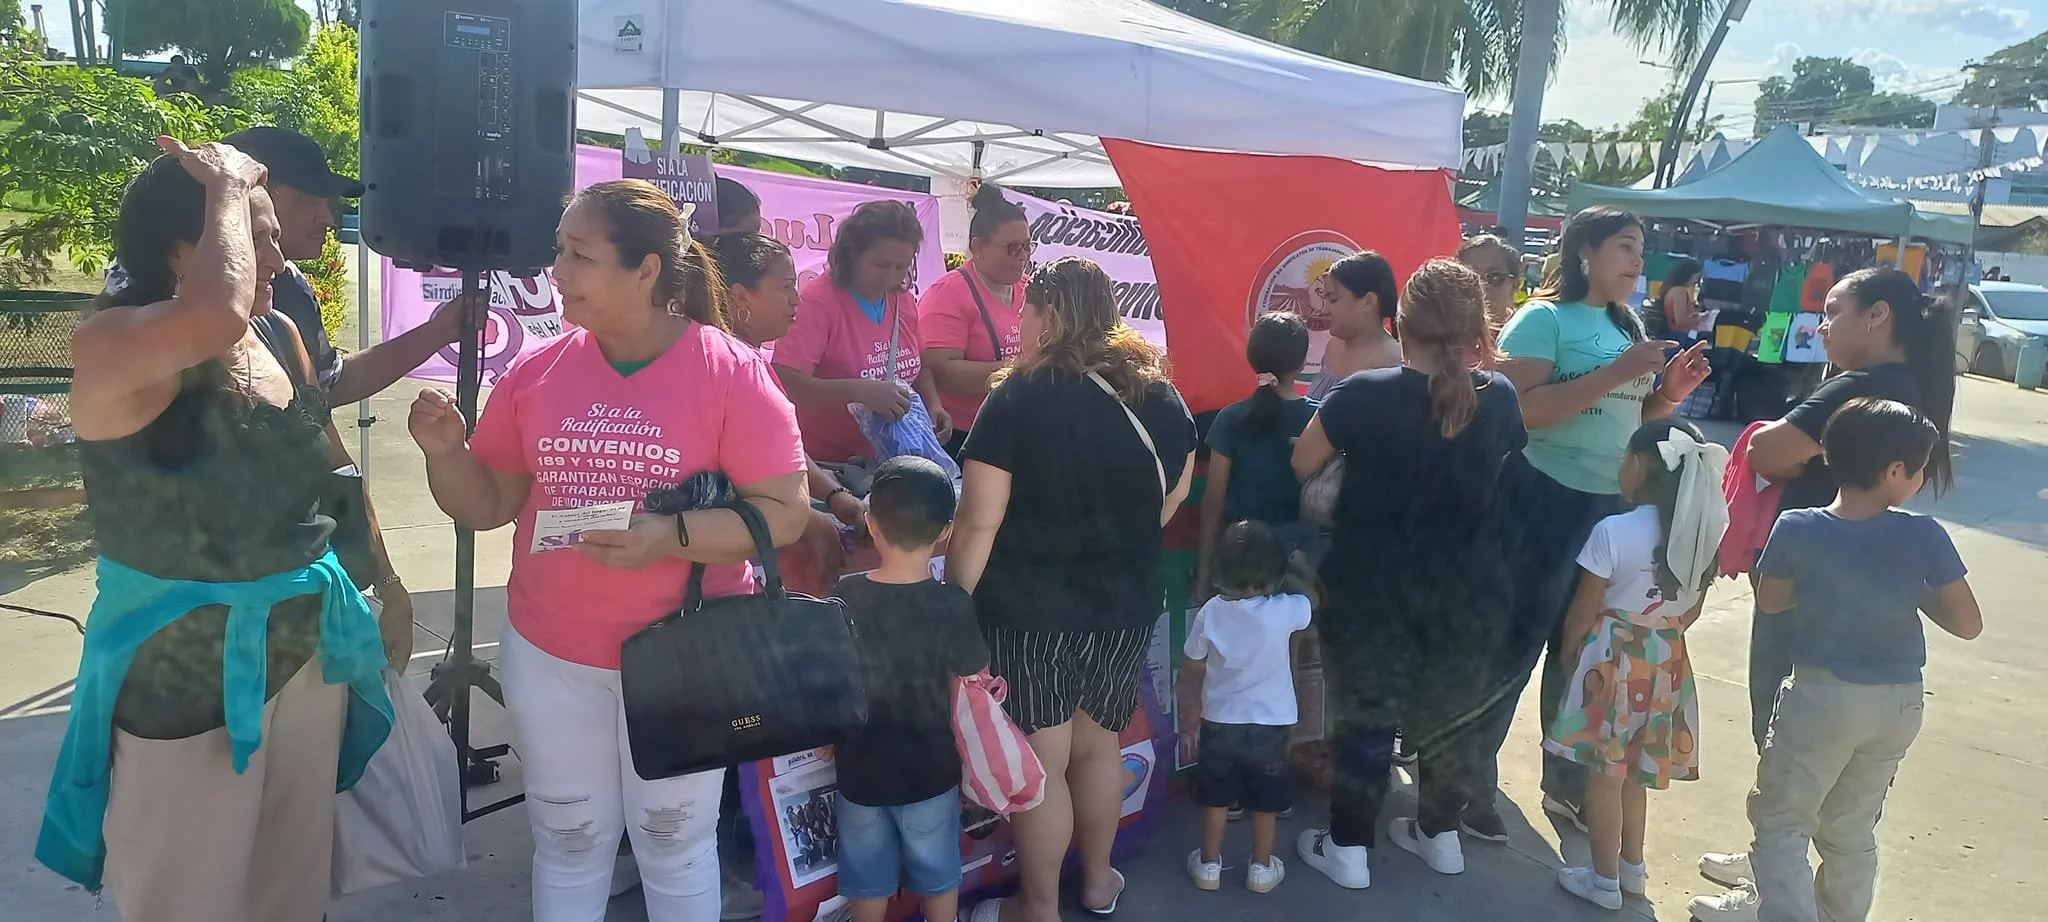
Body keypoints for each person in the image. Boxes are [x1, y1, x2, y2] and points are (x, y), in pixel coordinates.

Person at [408, 179, 811, 922]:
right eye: (559, 252)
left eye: (579, 255)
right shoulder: (538, 371)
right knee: (567, 841)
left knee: (672, 841)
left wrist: (670, 536)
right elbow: (487, 505)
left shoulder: (729, 370)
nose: (556, 272)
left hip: (687, 658)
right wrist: (445, 454)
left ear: (646, 269)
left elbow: (786, 513)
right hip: (551, 652)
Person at [37, 138, 399, 922]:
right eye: (253, 234)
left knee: (291, 888)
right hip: (179, 667)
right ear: (181, 249)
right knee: (186, 899)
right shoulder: (110, 344)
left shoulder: (278, 335)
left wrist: (383, 582)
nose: (278, 256)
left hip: (307, 645)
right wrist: (228, 182)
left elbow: (326, 472)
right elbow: (212, 314)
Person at [949, 257, 1198, 922]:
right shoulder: (1160, 395)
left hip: (1029, 608)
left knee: (1043, 761)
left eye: (1027, 312)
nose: (1021, 326)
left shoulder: (1017, 397)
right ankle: (1096, 882)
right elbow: (1172, 495)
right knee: (1098, 744)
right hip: (1125, 602)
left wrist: (951, 604)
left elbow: (978, 522)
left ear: (1051, 314)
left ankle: (1037, 907)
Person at [1694, 268, 1957, 893]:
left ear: (1878, 315)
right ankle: (1783, 872)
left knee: (1786, 734)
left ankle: (1770, 882)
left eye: (1834, 310)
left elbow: (1767, 453)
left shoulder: (1859, 386)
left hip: (1806, 584)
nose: (1821, 325)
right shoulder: (1914, 387)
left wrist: (1786, 447)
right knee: (1845, 793)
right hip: (1874, 620)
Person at [1688, 399, 1982, 922]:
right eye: (1920, 469)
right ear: (1895, 471)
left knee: (1782, 820)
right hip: (1898, 703)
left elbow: (1772, 601)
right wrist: (1906, 588)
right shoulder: (1924, 535)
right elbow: (1967, 623)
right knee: (1850, 826)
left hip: (1821, 697)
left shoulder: (1798, 527)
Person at [1288, 258, 1527, 887]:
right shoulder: (1500, 396)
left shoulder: (1362, 394)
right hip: (1470, 587)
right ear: (1476, 326)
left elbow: (1303, 463)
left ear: (1401, 322)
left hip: (1372, 585)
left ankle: (1349, 848)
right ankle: (1439, 836)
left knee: (1366, 715)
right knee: (1450, 714)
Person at [1475, 206, 1711, 836]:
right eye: (1626, 247)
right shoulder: (1543, 319)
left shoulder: (1626, 323)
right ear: (1585, 253)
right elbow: (1520, 412)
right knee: (1513, 645)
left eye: (1641, 250)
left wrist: (1668, 394)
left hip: (1609, 509)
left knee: (1581, 651)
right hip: (1541, 499)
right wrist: (1620, 371)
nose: (1638, 261)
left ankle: (1567, 786)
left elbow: (1629, 418)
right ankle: (1467, 785)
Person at [1546, 418, 1728, 910]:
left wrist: (1571, 655)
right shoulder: (1702, 534)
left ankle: (1603, 882)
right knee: (1633, 773)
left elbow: (1583, 610)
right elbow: (1691, 611)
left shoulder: (1613, 530)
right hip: (1665, 656)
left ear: (1639, 465)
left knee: (1603, 775)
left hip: (1611, 656)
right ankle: (1631, 870)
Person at [831, 456, 990, 922]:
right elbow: (973, 670)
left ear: (870, 523)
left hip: (859, 771)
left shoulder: (844, 594)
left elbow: (830, 674)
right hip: (931, 772)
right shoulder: (952, 603)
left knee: (867, 881)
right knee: (939, 875)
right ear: (946, 532)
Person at [1182, 521, 1312, 895]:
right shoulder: (1286, 610)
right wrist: (1299, 569)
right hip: (1271, 726)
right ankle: (1261, 867)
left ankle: (1209, 866)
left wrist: (1189, 718)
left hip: (1220, 722)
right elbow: (1316, 599)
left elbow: (1191, 668)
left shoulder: (1210, 612)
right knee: (1265, 803)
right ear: (1276, 571)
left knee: (1216, 799)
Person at [774, 200, 951, 465]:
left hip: (894, 458)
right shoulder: (818, 302)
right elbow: (786, 380)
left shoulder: (902, 299)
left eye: (901, 267)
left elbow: (919, 364)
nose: (891, 277)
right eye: (880, 265)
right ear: (852, 256)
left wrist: (933, 405)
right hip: (829, 463)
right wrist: (858, 391)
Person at [1196, 312, 1318, 596]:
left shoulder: (1229, 419)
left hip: (1242, 565)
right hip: (1303, 562)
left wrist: (1204, 572)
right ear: (1302, 362)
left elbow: (1214, 502)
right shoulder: (1319, 418)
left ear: (1252, 358)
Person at [919, 182, 1032, 455]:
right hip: (961, 437)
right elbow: (940, 372)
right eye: (1012, 248)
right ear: (978, 247)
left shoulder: (1030, 289)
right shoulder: (947, 294)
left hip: (1015, 428)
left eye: (1028, 246)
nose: (1023, 257)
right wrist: (1021, 370)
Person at [1305, 252, 1404, 401]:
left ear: (1368, 301)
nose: (1325, 309)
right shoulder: (1333, 347)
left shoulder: (1394, 363)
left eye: (1333, 300)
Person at [1457, 234, 1522, 330]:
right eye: (1470, 277)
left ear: (1514, 285)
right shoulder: (1441, 332)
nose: (1482, 286)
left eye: (1494, 277)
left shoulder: (1526, 332)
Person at [1656, 259, 1707, 344]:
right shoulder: (1679, 292)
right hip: (1678, 336)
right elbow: (1680, 321)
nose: (1696, 282)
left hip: (1674, 335)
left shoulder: (1672, 290)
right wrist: (1702, 319)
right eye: (1696, 278)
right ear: (1688, 275)